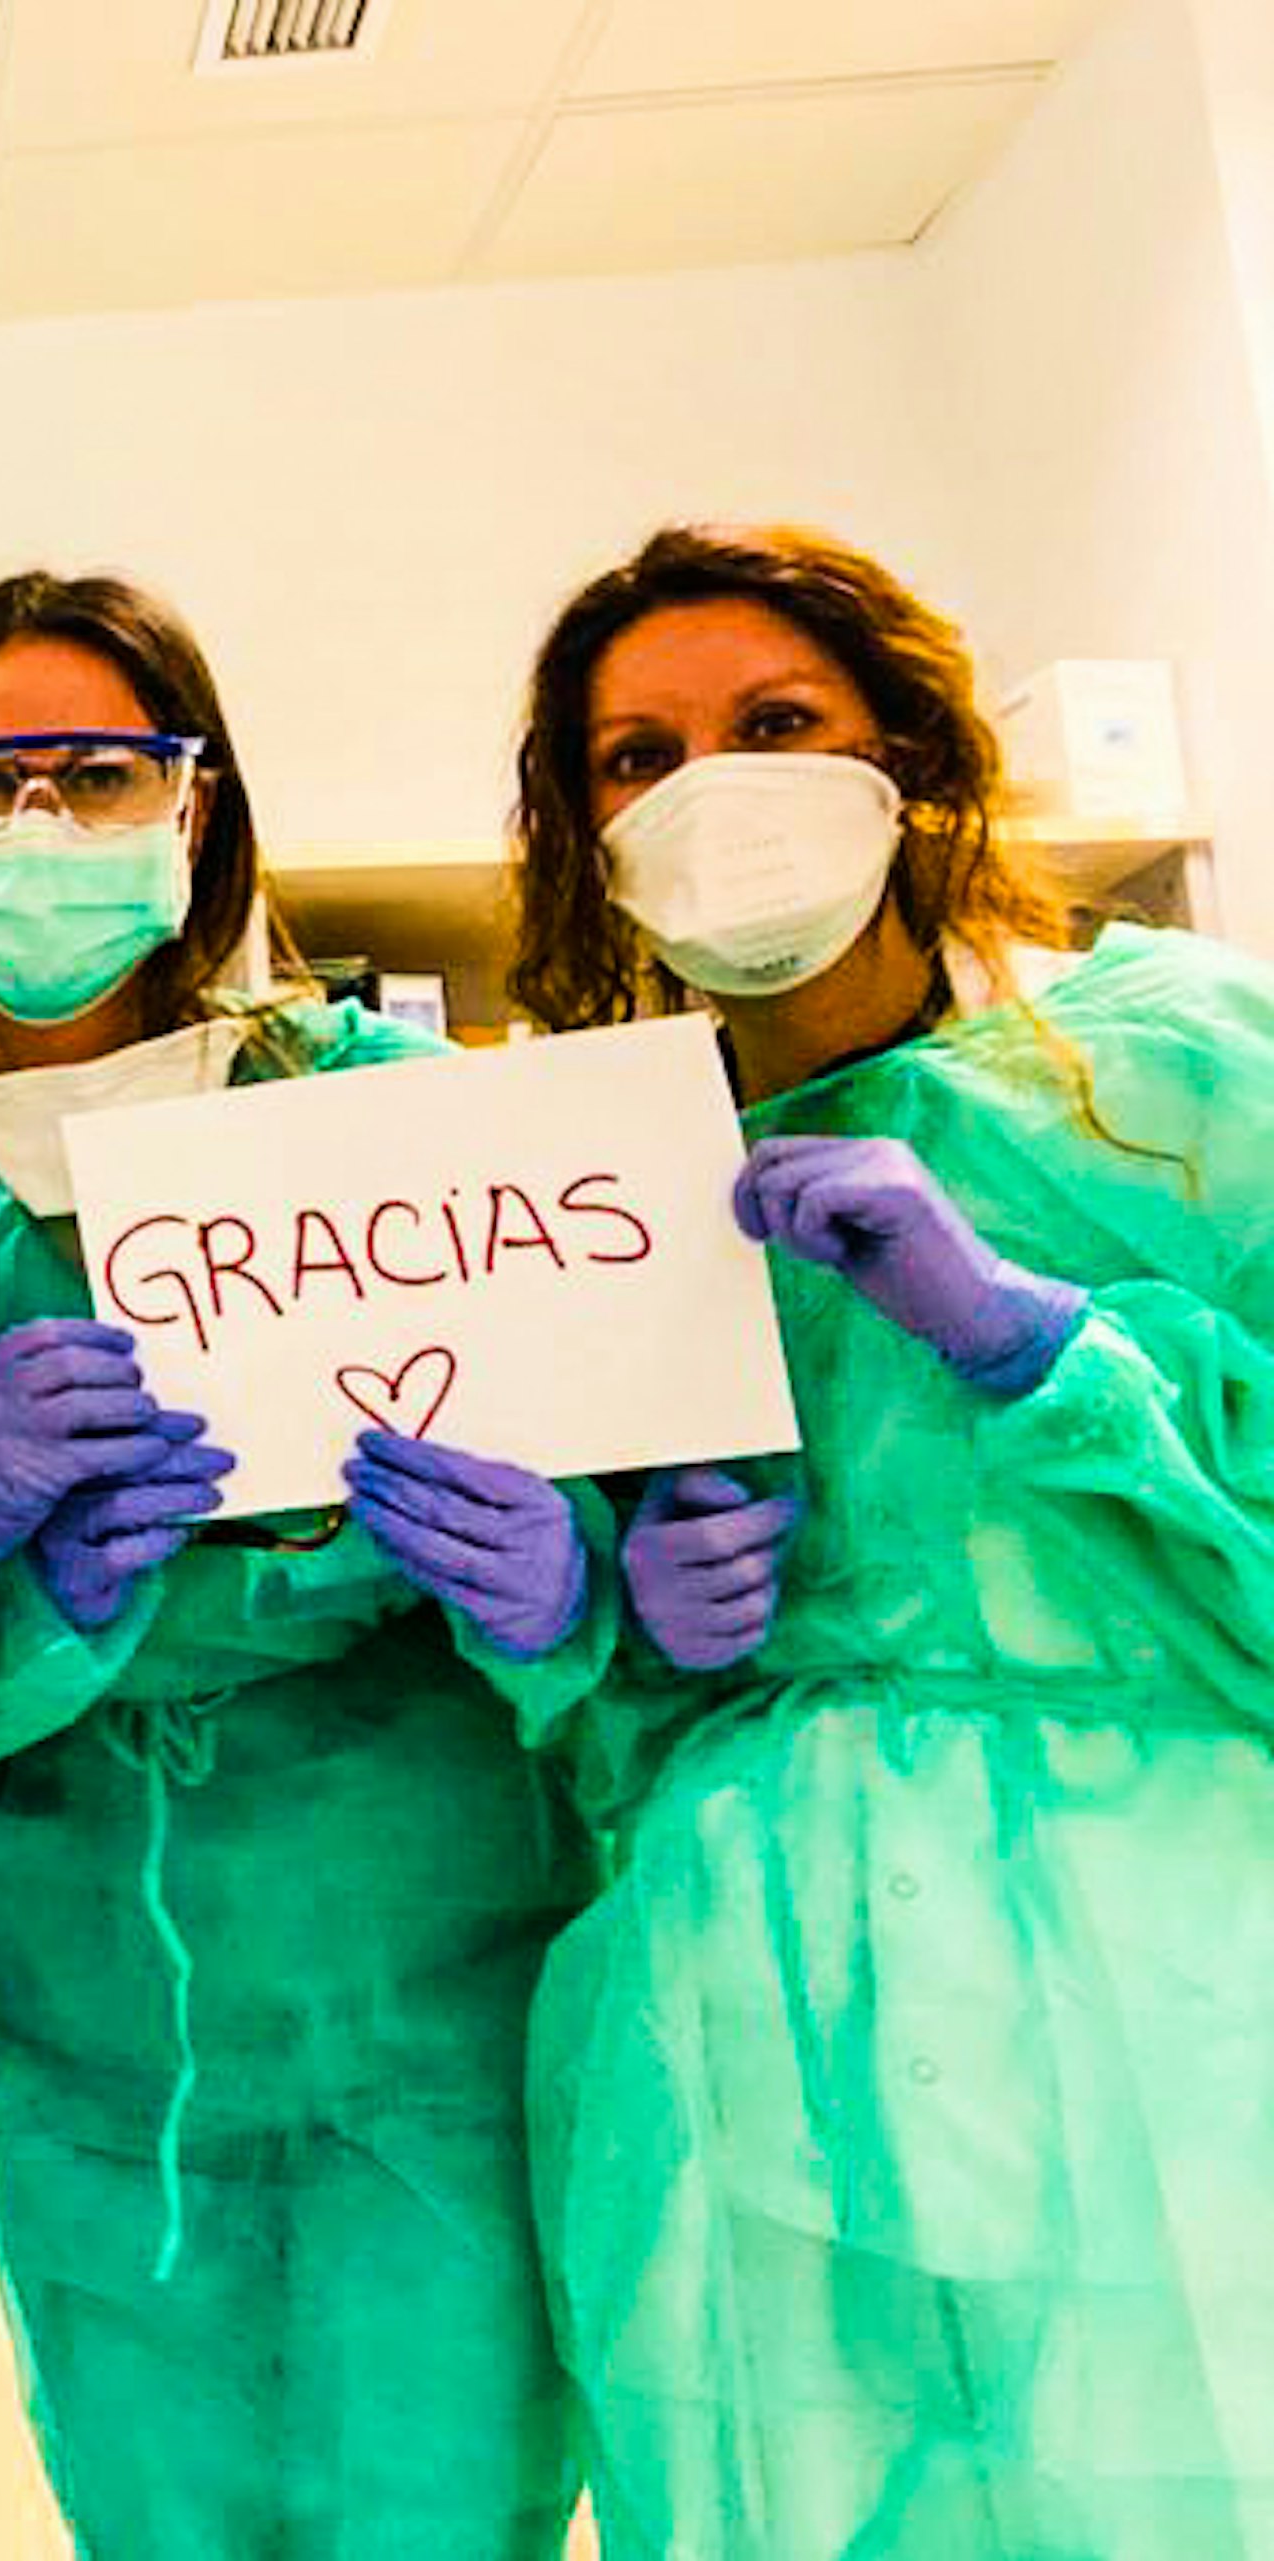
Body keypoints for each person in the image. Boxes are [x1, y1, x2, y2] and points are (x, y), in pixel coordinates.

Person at [0, 571, 608, 2557]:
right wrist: (0, 1576)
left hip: (428, 2011)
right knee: (157, 2510)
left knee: (441, 2500)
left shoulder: (398, 1133)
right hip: (80, 2045)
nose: (40, 828)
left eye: (98, 773)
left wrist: (556, 1597)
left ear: (195, 807)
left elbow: (637, 1587)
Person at [507, 522, 1274, 2556]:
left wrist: (1052, 1350)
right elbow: (572, 1735)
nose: (709, 787)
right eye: (635, 756)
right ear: (582, 833)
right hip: (754, 1990)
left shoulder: (1181, 1067)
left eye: (776, 725)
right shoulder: (590, 1182)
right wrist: (620, 1625)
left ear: (910, 765)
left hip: (1172, 1960)